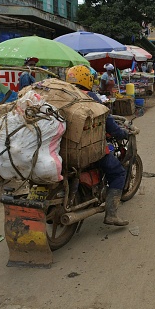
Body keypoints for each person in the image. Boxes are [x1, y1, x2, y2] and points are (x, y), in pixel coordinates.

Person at [65, 65, 130, 226]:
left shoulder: (63, 96)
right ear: (87, 79)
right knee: (118, 172)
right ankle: (111, 214)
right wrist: (121, 133)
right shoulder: (90, 97)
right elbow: (108, 123)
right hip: (86, 149)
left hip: (62, 149)